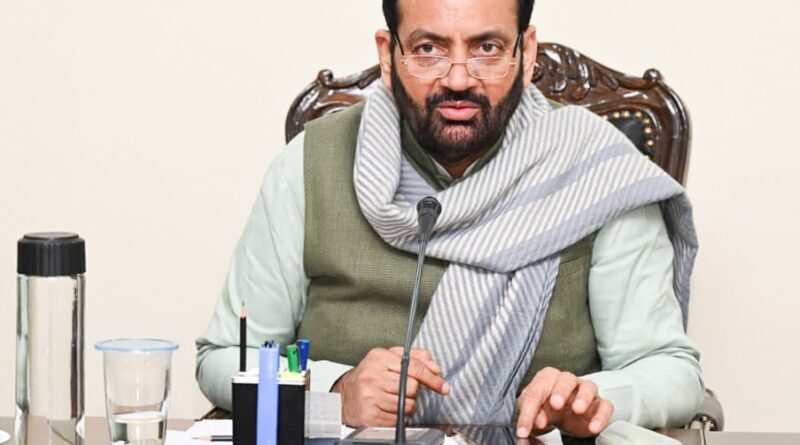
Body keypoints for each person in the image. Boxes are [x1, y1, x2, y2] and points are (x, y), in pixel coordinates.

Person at [196, 0, 705, 438]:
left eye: (488, 48)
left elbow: (670, 371)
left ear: (526, 53)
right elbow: (224, 355)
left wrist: (592, 397)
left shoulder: (598, 169)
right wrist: (334, 390)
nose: (458, 79)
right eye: (428, 49)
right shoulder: (309, 165)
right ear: (388, 55)